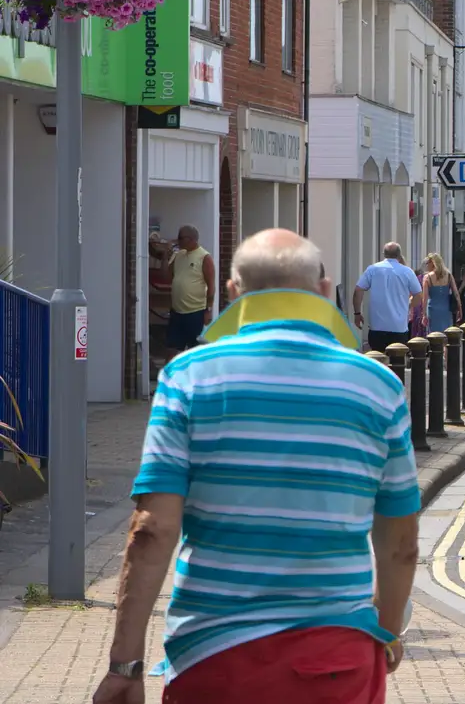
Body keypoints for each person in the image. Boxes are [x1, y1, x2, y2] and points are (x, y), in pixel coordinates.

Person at [92, 229, 419, 704]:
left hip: (213, 655)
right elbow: (399, 543)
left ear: (232, 294)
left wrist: (125, 665)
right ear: (324, 292)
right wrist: (386, 631)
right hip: (336, 659)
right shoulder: (378, 386)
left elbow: (152, 529)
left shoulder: (187, 378)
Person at [352, 242, 424, 354]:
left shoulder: (373, 269)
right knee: (397, 362)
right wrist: (408, 305)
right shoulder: (407, 272)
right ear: (399, 255)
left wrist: (357, 313)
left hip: (377, 327)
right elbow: (419, 295)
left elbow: (358, 290)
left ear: (383, 254)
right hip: (399, 327)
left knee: (378, 359)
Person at [165, 225, 215, 354]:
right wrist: (166, 255)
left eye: (180, 238)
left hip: (195, 312)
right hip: (177, 312)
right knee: (172, 350)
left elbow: (211, 285)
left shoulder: (204, 257)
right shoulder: (179, 255)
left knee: (194, 351)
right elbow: (166, 275)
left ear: (191, 239)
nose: (178, 241)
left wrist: (208, 310)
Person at [424, 252, 461, 332]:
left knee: (433, 335)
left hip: (433, 309)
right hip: (446, 309)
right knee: (446, 333)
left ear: (432, 263)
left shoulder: (428, 277)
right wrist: (460, 309)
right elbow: (456, 294)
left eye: (427, 263)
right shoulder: (448, 275)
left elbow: (425, 298)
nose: (426, 265)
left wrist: (424, 314)